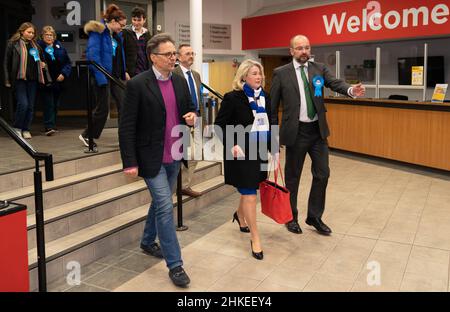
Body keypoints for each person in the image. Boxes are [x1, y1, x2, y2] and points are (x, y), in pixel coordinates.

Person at [119, 33, 197, 287]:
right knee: (165, 206)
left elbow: (189, 108)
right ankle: (175, 265)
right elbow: (127, 126)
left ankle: (146, 241)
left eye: (175, 53)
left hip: (174, 154)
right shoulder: (137, 85)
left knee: (160, 202)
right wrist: (129, 161)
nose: (174, 57)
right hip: (150, 157)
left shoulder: (179, 81)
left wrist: (192, 116)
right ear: (154, 57)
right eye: (169, 54)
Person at [270, 34, 365, 235]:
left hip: (317, 132)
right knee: (293, 177)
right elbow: (273, 106)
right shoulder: (281, 73)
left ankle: (314, 217)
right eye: (300, 48)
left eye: (307, 47)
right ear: (292, 51)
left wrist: (350, 89)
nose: (304, 51)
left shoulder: (319, 69)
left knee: (323, 174)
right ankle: (291, 217)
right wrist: (273, 136)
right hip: (296, 132)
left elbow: (335, 83)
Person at [215, 59, 274, 260]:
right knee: (250, 194)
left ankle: (240, 215)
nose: (259, 77)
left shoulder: (266, 97)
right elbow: (219, 125)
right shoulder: (233, 98)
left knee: (252, 187)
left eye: (260, 73)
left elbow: (272, 121)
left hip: (260, 151)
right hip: (240, 152)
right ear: (243, 77)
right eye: (254, 73)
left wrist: (274, 147)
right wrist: (231, 143)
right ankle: (255, 238)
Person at [79, 4, 127, 148]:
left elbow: (118, 56)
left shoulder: (116, 36)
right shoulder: (98, 33)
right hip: (102, 76)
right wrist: (101, 78)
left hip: (114, 76)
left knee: (124, 105)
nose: (122, 28)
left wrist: (123, 71)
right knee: (103, 109)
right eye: (121, 25)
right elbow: (93, 56)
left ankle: (125, 137)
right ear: (113, 22)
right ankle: (87, 135)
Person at [3, 22, 47, 139]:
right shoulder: (12, 44)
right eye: (29, 32)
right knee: (23, 104)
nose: (31, 35)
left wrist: (43, 64)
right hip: (19, 79)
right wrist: (7, 79)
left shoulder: (36, 46)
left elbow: (42, 61)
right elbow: (6, 63)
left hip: (33, 80)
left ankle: (26, 128)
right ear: (22, 31)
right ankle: (17, 128)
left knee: (31, 106)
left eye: (33, 33)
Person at [173, 44, 205, 198]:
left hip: (197, 118)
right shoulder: (173, 74)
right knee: (187, 154)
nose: (191, 56)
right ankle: (178, 184)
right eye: (187, 53)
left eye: (193, 53)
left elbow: (198, 97)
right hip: (182, 120)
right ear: (178, 57)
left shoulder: (196, 75)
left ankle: (184, 185)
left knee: (196, 154)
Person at [38, 25, 72, 136]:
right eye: (46, 35)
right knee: (49, 104)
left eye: (51, 35)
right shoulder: (38, 47)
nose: (49, 37)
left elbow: (68, 63)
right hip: (46, 80)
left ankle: (52, 124)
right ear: (42, 36)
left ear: (54, 36)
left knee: (56, 104)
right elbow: (33, 61)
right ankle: (48, 126)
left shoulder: (60, 47)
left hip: (59, 80)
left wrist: (63, 73)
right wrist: (40, 64)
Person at [122, 6, 151, 79]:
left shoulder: (148, 35)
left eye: (139, 20)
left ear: (144, 20)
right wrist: (125, 71)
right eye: (134, 20)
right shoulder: (125, 33)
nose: (136, 22)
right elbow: (121, 53)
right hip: (131, 73)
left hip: (145, 71)